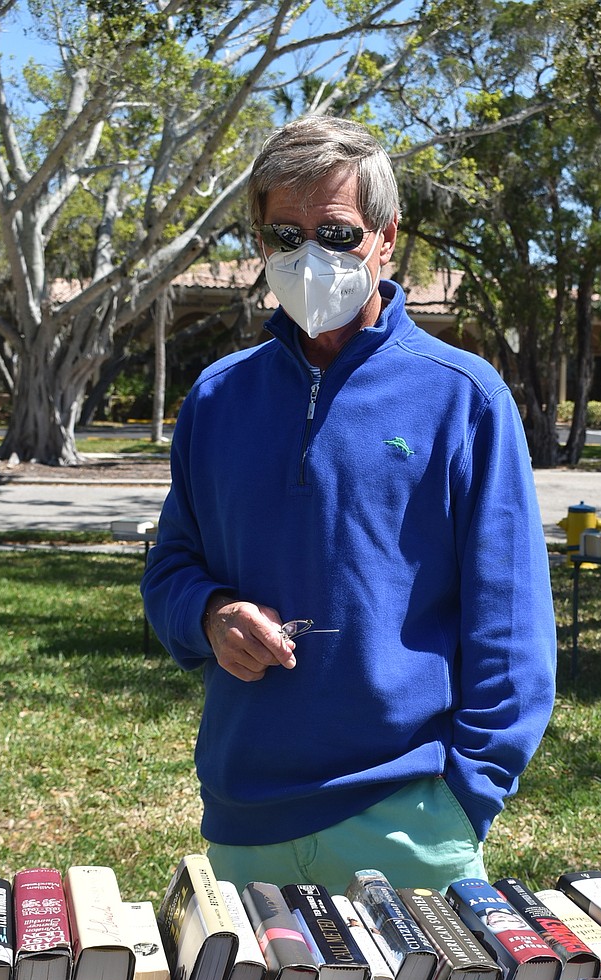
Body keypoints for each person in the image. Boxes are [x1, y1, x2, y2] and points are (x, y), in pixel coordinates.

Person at [141, 116, 556, 895]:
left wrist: (466, 800)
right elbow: (170, 567)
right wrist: (207, 615)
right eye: (284, 234)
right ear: (260, 243)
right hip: (245, 820)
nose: (310, 257)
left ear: (386, 237)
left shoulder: (463, 398)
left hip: (408, 821)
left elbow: (511, 625)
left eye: (335, 232)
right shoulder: (218, 397)